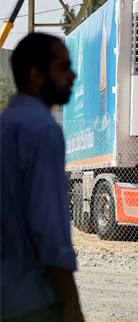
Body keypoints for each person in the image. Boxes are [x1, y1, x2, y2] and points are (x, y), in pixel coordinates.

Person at [1, 34, 84, 322]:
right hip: (33, 303)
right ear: (37, 75)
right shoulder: (43, 131)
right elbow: (49, 231)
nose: (73, 75)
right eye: (63, 67)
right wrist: (72, 304)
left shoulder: (5, 125)